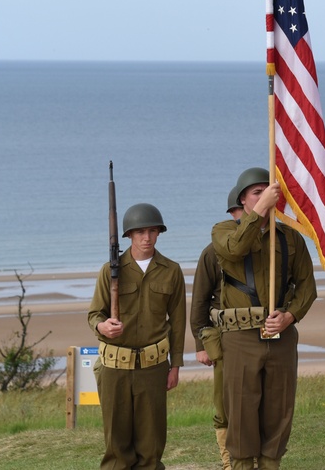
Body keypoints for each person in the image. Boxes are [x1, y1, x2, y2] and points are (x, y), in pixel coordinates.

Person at [211, 167, 317, 470]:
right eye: (256, 192)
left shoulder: (290, 238)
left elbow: (307, 286)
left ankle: (271, 464)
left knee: (279, 409)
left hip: (280, 335)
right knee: (242, 411)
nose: (264, 196)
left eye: (266, 191)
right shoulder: (223, 230)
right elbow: (235, 250)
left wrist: (291, 315)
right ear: (243, 199)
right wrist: (257, 214)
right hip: (241, 337)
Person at [89, 202, 186, 470]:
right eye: (140, 232)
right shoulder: (110, 271)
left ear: (159, 234)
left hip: (153, 368)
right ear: (129, 235)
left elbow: (178, 323)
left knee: (151, 444)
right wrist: (103, 327)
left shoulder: (172, 271)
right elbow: (94, 314)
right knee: (117, 446)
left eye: (153, 231)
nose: (147, 237)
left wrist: (175, 366)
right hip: (114, 368)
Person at [190, 186, 242, 470]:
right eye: (237, 213)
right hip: (223, 337)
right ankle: (229, 463)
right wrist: (200, 344)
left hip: (259, 333)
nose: (240, 218)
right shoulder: (212, 252)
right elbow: (199, 300)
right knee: (224, 405)